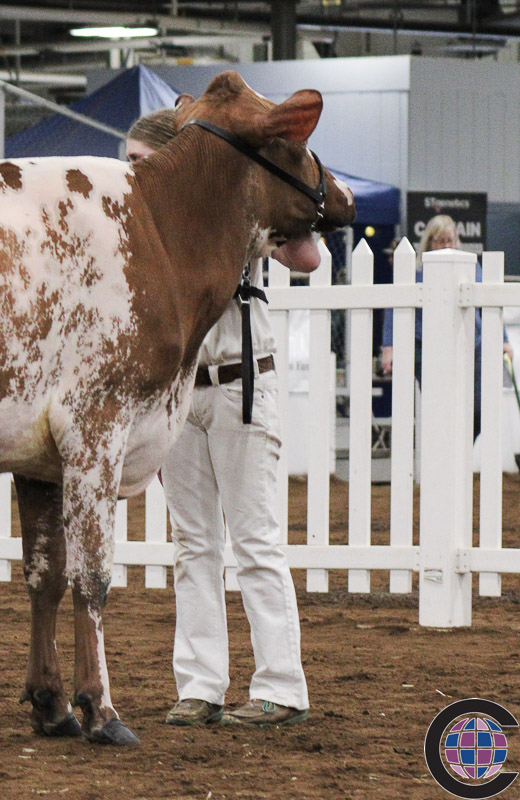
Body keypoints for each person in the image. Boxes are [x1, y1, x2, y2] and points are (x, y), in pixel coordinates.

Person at [126, 108, 310, 727]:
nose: (132, 173)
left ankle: (281, 688)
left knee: (254, 539)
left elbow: (307, 256)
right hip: (182, 390)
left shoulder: (231, 211)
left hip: (242, 382)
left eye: (141, 161)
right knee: (192, 544)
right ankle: (200, 686)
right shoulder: (137, 230)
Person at [381, 214, 512, 440]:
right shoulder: (415, 271)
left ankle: (462, 448)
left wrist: (504, 340)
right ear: (429, 243)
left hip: (472, 346)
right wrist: (388, 346)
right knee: (438, 409)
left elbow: (489, 305)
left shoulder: (472, 267)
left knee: (479, 408)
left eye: (450, 240)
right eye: (440, 241)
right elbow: (393, 309)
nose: (446, 246)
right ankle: (444, 451)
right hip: (427, 350)